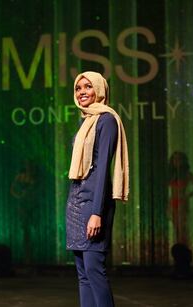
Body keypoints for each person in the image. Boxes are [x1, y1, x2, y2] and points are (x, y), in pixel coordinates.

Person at [66, 71, 129, 307]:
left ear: (100, 90)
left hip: (94, 204)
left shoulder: (106, 120)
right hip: (75, 201)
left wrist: (97, 212)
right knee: (83, 274)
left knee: (94, 270)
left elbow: (102, 168)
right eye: (78, 88)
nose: (82, 92)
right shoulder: (86, 121)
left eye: (88, 87)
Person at [168, 151, 193, 245]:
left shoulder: (186, 174)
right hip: (172, 201)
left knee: (182, 227)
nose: (177, 161)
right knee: (176, 227)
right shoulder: (172, 174)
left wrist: (188, 195)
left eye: (179, 159)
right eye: (175, 159)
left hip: (181, 202)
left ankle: (184, 246)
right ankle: (179, 246)